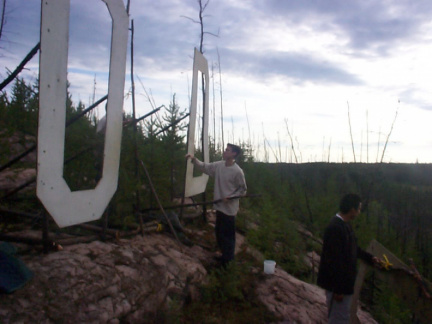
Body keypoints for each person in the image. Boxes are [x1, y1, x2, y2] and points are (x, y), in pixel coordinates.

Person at [317, 193, 381, 323]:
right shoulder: (335, 228)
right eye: (358, 209)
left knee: (342, 317)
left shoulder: (345, 225)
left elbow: (353, 249)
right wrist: (338, 289)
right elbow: (333, 261)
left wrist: (370, 258)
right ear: (352, 210)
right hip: (339, 287)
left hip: (344, 286)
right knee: (338, 319)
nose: (358, 212)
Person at [186, 143, 247, 266]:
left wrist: (230, 198)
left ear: (234, 154)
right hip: (219, 207)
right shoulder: (219, 165)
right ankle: (223, 257)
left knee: (228, 236)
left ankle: (228, 262)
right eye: (225, 149)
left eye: (228, 150)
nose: (225, 152)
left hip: (229, 209)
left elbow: (243, 190)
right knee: (219, 232)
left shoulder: (237, 171)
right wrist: (193, 159)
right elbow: (205, 167)